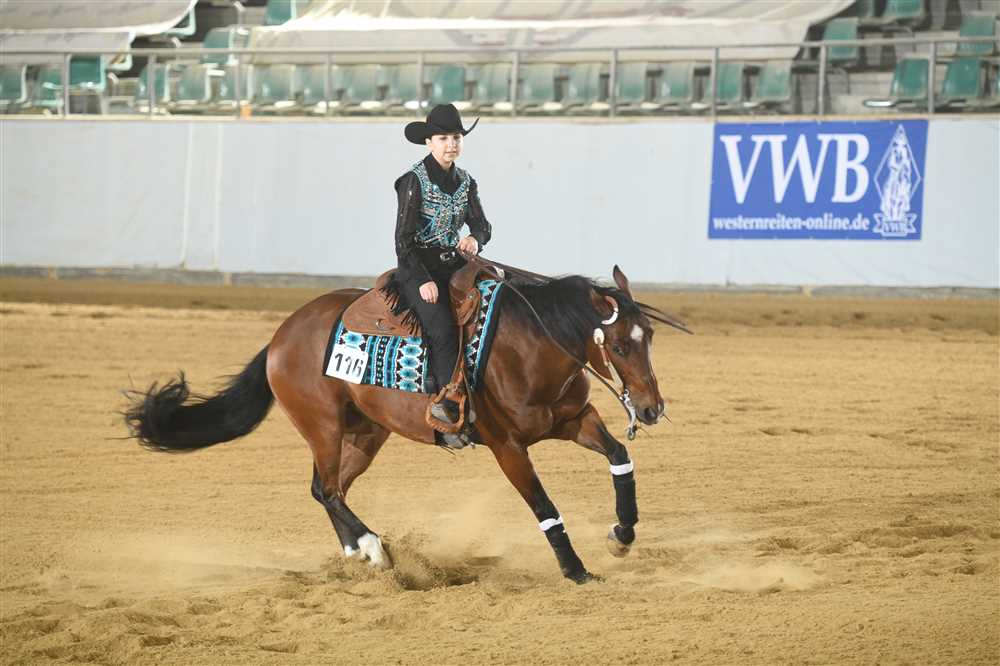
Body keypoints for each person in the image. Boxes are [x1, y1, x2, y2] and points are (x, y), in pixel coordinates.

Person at [394, 103, 492, 433]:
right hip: (418, 268)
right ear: (429, 142)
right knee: (444, 330)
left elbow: (482, 225)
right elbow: (403, 240)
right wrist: (422, 279)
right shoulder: (413, 181)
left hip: (455, 265)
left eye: (456, 138)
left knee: (497, 302)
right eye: (443, 138)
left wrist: (475, 239)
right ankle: (446, 403)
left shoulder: (466, 181)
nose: (451, 144)